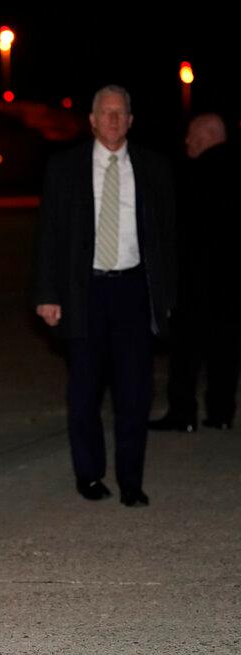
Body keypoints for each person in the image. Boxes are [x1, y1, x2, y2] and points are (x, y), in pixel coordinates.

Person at [33, 85, 176, 508]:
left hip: (133, 289)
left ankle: (132, 481)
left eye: (121, 113)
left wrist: (166, 295)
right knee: (84, 390)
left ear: (131, 121)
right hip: (85, 290)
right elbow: (48, 236)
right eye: (105, 113)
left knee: (134, 393)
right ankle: (90, 474)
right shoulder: (64, 168)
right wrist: (46, 293)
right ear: (92, 120)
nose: (113, 120)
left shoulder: (153, 168)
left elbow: (168, 238)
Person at [149, 113, 240, 432]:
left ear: (208, 135)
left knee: (185, 350)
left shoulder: (197, 174)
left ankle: (182, 412)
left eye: (191, 135)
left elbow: (180, 231)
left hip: (196, 281)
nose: (187, 141)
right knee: (226, 350)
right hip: (230, 283)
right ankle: (221, 412)